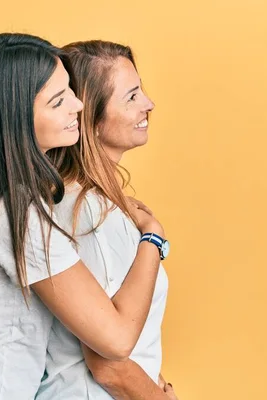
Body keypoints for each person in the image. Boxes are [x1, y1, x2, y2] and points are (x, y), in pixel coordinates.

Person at [0, 33, 165, 400]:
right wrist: (152, 237)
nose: (79, 105)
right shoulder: (22, 218)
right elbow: (116, 342)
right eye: (59, 100)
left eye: (71, 91)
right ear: (15, 119)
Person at [40, 40, 178, 399]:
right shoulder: (83, 215)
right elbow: (108, 364)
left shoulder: (101, 205)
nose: (149, 104)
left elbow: (135, 327)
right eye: (131, 97)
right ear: (92, 120)